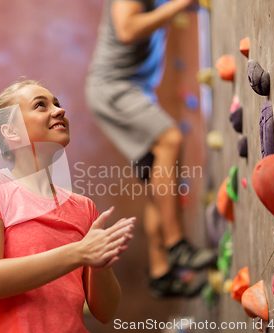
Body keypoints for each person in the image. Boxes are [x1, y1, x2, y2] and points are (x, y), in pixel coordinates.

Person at [0, 80, 135, 332]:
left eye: (57, 103)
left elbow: (105, 312)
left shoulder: (84, 208)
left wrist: (100, 264)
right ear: (11, 132)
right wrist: (79, 252)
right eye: (40, 105)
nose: (58, 110)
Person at [85, 0, 216, 298]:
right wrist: (180, 6)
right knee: (170, 139)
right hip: (115, 88)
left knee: (155, 178)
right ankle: (176, 245)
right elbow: (128, 29)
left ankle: (161, 273)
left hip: (133, 89)